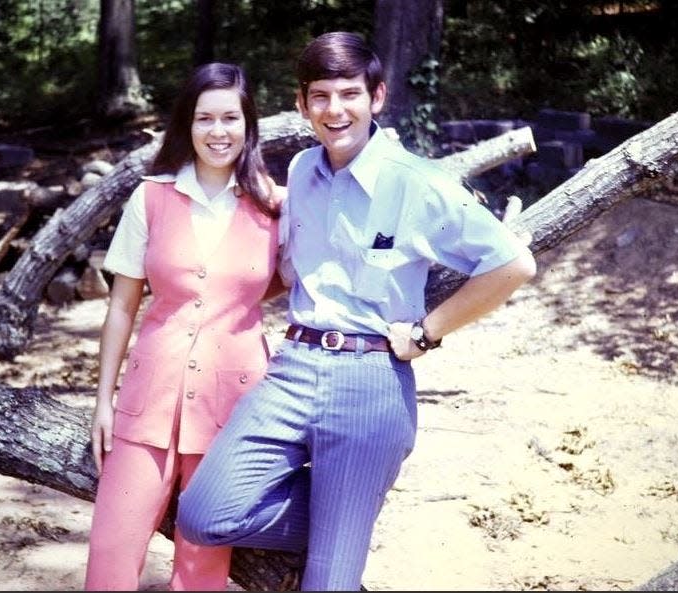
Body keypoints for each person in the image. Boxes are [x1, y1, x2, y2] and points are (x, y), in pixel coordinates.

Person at [176, 32, 538, 591]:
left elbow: (512, 264)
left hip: (370, 385)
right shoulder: (299, 171)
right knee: (203, 515)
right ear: (301, 104)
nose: (335, 109)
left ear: (378, 96)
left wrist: (428, 331)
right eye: (320, 96)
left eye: (349, 93)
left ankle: (342, 525)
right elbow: (287, 270)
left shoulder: (418, 183)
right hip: (291, 371)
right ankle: (340, 518)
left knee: (328, 584)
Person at [84, 62, 285, 591]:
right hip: (147, 400)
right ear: (186, 126)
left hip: (232, 406)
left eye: (230, 119)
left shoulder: (277, 205)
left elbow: (292, 280)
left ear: (249, 125)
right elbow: (122, 307)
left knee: (202, 568)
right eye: (204, 119)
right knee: (111, 553)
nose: (218, 132)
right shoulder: (150, 197)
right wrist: (103, 401)